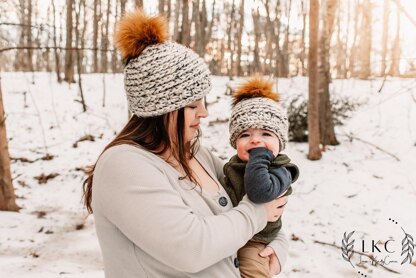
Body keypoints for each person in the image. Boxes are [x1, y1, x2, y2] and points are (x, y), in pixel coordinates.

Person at [82, 10, 289, 278]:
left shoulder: (193, 152)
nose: (203, 113)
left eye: (203, 102)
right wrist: (257, 212)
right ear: (161, 109)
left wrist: (277, 249)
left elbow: (259, 205)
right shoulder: (124, 165)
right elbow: (192, 248)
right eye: (192, 105)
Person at [221, 76, 299, 278]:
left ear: (280, 142)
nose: (255, 140)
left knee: (252, 272)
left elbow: (259, 193)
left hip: (255, 240)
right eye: (245, 135)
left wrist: (259, 157)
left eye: (266, 134)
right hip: (227, 234)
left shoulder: (281, 170)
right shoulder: (233, 166)